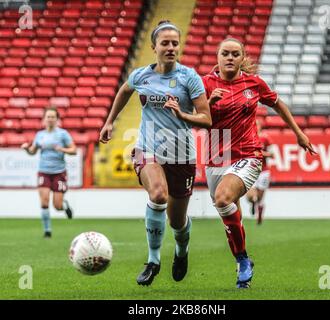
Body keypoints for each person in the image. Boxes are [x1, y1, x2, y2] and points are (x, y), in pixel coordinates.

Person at [99, 20, 211, 286]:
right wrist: (109, 121)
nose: (171, 47)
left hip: (181, 155)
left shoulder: (189, 77)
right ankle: (153, 260)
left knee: (177, 222)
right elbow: (125, 90)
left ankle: (181, 252)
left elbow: (206, 119)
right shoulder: (141, 75)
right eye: (165, 43)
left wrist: (181, 113)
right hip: (147, 148)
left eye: (175, 43)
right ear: (154, 47)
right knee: (158, 194)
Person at [202, 38, 316, 288]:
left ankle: (242, 260)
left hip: (248, 155)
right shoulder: (205, 84)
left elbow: (278, 104)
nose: (230, 58)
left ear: (242, 58)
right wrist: (208, 105)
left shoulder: (253, 83)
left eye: (235, 54)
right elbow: (193, 120)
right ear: (217, 56)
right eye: (225, 53)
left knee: (223, 199)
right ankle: (242, 257)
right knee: (228, 212)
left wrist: (299, 133)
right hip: (215, 159)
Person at [21, 107, 76, 238]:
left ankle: (64, 206)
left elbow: (74, 150)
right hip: (44, 172)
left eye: (53, 117)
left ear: (57, 119)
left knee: (57, 206)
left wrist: (62, 149)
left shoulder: (63, 134)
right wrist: (26, 149)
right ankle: (47, 230)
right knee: (44, 202)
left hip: (59, 172)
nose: (50, 119)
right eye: (48, 117)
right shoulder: (40, 135)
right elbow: (33, 151)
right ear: (44, 119)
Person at [246, 119, 273, 224]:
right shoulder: (247, 138)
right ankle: (253, 203)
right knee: (251, 196)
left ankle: (259, 211)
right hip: (250, 170)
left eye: (257, 125)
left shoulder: (265, 138)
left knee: (260, 197)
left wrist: (261, 153)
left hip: (263, 171)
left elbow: (272, 154)